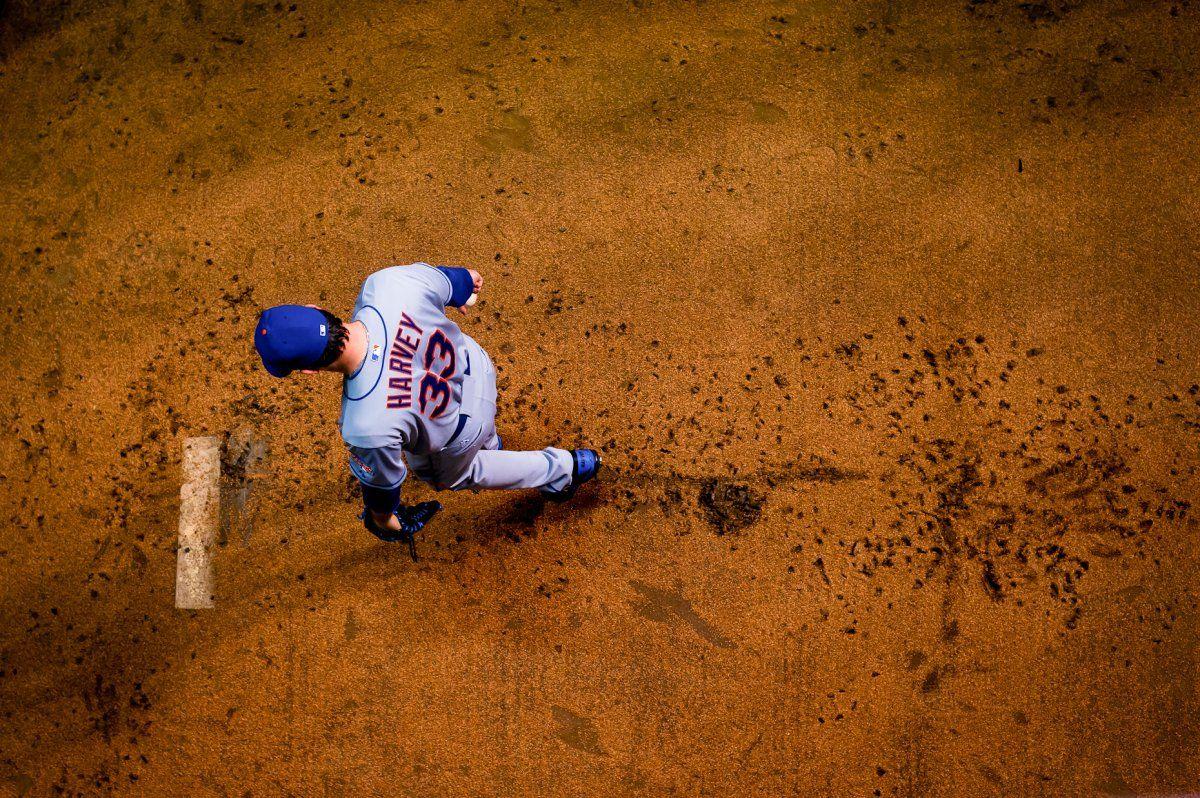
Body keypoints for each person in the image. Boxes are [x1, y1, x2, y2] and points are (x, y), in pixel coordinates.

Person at [252, 263, 601, 555]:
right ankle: (493, 444)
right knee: (470, 431)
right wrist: (465, 288)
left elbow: (384, 494)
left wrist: (384, 523)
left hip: (461, 431)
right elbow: (463, 280)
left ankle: (562, 470)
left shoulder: (364, 425)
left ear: (309, 370)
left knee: (452, 474)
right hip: (478, 367)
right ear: (315, 308)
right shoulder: (386, 285)